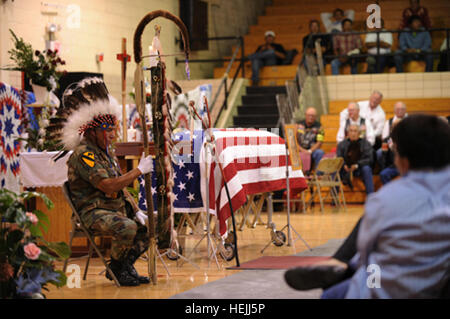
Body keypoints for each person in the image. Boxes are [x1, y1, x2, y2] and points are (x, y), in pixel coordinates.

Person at [285, 114, 450, 298]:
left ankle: (344, 267)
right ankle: (344, 268)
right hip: (437, 284)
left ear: (402, 160)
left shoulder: (386, 199)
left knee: (334, 291)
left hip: (385, 286)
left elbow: (367, 252)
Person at [55, 78, 154, 286]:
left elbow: (120, 186)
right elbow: (109, 185)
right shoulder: (84, 155)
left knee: (148, 229)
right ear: (92, 132)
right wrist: (138, 170)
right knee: (127, 227)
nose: (111, 135)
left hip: (111, 209)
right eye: (107, 131)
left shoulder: (105, 153)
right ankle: (117, 270)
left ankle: (123, 267)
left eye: (112, 131)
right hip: (92, 212)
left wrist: (136, 210)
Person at [336, 124, 374, 194]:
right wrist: (344, 165)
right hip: (345, 168)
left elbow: (370, 159)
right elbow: (338, 157)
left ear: (359, 133)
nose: (353, 133)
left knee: (367, 169)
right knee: (335, 170)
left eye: (355, 131)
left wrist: (357, 165)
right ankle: (334, 198)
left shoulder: (366, 144)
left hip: (359, 168)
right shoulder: (341, 144)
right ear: (348, 133)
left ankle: (371, 197)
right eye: (351, 131)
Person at [376, 101, 407, 171]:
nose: (400, 111)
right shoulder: (389, 122)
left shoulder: (410, 120)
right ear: (395, 110)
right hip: (391, 144)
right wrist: (391, 144)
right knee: (379, 153)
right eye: (398, 109)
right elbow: (385, 137)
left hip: (406, 145)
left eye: (402, 109)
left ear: (405, 110)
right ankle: (385, 169)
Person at [296, 107, 325, 172]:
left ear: (316, 117)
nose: (311, 117)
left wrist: (309, 151)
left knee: (320, 152)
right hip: (299, 149)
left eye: (313, 116)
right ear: (305, 115)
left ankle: (318, 175)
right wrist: (302, 150)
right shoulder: (297, 125)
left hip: (313, 150)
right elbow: (293, 140)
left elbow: (320, 142)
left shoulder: (320, 127)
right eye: (309, 115)